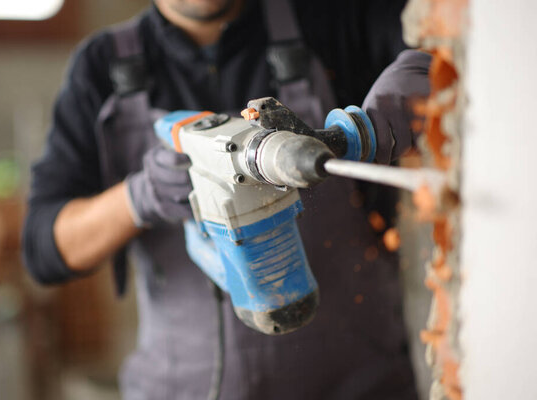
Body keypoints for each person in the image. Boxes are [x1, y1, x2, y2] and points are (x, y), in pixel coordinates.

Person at [22, 0, 431, 398]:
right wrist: (139, 196)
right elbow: (44, 248)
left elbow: (445, 38)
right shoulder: (101, 66)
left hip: (358, 381)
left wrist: (423, 67)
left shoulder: (333, 15)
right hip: (180, 385)